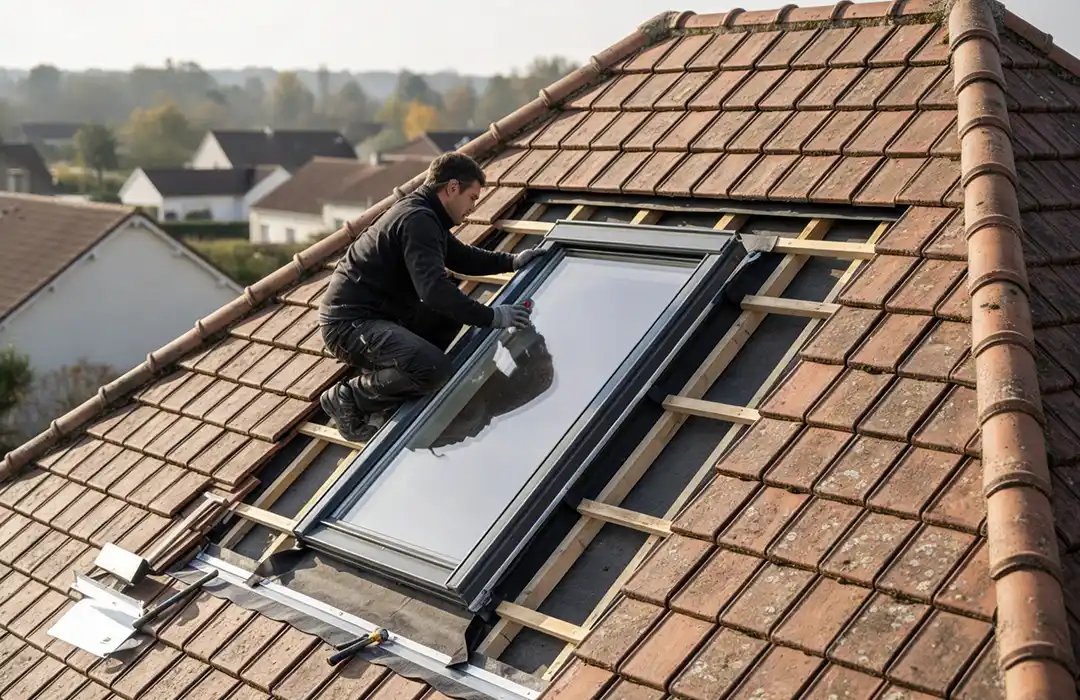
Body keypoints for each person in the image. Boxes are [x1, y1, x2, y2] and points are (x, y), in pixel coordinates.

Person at [318, 152, 544, 442]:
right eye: (472, 197)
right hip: (350, 325)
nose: (472, 208)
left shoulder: (425, 215)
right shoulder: (418, 219)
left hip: (381, 316)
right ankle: (350, 397)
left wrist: (511, 261)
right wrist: (494, 317)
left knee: (449, 318)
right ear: (452, 188)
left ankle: (397, 374)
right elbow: (434, 292)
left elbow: (461, 257)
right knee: (434, 369)